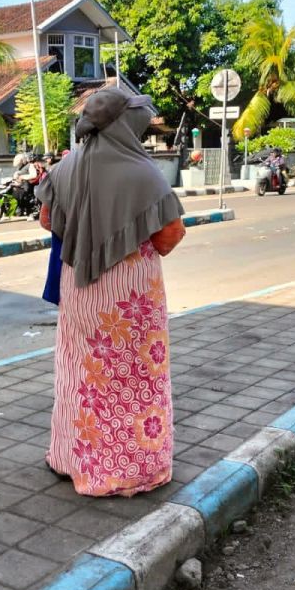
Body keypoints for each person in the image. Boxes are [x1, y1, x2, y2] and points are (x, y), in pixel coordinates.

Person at [35, 88, 186, 497]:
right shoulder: (143, 171)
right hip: (127, 299)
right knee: (132, 380)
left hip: (79, 290)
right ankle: (124, 469)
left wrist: (90, 234)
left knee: (80, 374)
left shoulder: (66, 166)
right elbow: (169, 237)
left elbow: (47, 219)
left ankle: (71, 458)